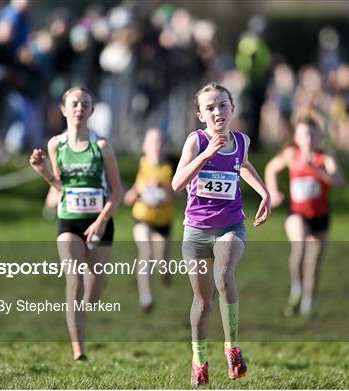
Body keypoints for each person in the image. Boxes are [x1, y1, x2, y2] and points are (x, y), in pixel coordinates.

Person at [171, 82, 270, 386]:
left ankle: (232, 347)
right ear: (200, 115)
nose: (217, 112)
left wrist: (264, 192)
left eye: (222, 105)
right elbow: (176, 183)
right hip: (197, 231)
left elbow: (242, 165)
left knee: (223, 275)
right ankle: (199, 360)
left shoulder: (242, 141)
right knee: (203, 302)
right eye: (210, 108)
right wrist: (204, 156)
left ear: (232, 109)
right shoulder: (195, 142)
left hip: (230, 226)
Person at [29, 86, 122, 361]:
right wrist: (43, 171)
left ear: (92, 111)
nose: (79, 108)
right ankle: (78, 350)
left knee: (94, 289)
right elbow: (60, 185)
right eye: (74, 104)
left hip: (100, 221)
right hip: (68, 219)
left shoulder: (101, 146)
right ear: (63, 109)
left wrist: (101, 221)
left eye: (85, 104)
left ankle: (82, 315)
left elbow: (117, 191)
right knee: (74, 279)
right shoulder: (56, 144)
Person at [265, 112, 345, 317]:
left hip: (320, 216)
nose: (308, 139)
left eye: (312, 135)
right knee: (299, 245)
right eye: (303, 135)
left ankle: (309, 303)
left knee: (314, 263)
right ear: (297, 138)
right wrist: (273, 192)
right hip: (297, 213)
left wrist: (316, 170)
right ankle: (296, 289)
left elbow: (339, 182)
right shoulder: (292, 154)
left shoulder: (325, 157)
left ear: (319, 136)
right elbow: (271, 169)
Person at [124, 128, 175, 312]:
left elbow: (181, 194)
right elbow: (133, 191)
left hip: (163, 221)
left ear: (166, 146)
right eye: (153, 142)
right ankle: (146, 297)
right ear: (145, 146)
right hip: (142, 217)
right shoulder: (141, 164)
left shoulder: (171, 165)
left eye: (161, 142)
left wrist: (164, 189)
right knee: (146, 252)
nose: (157, 146)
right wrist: (132, 195)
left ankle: (165, 269)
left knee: (160, 260)